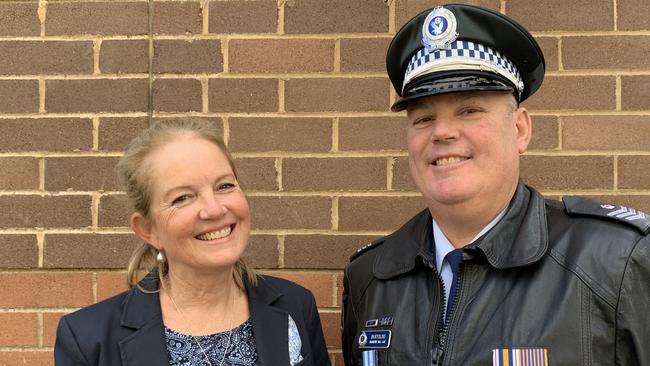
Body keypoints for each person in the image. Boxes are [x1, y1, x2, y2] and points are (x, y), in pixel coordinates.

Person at [342, 4, 650, 366]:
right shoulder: (372, 276)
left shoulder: (616, 261)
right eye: (424, 117)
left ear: (520, 129)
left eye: (469, 110)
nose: (442, 132)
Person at [55, 118, 331, 366]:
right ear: (149, 230)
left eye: (224, 186)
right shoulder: (88, 340)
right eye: (183, 198)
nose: (214, 209)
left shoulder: (295, 306)